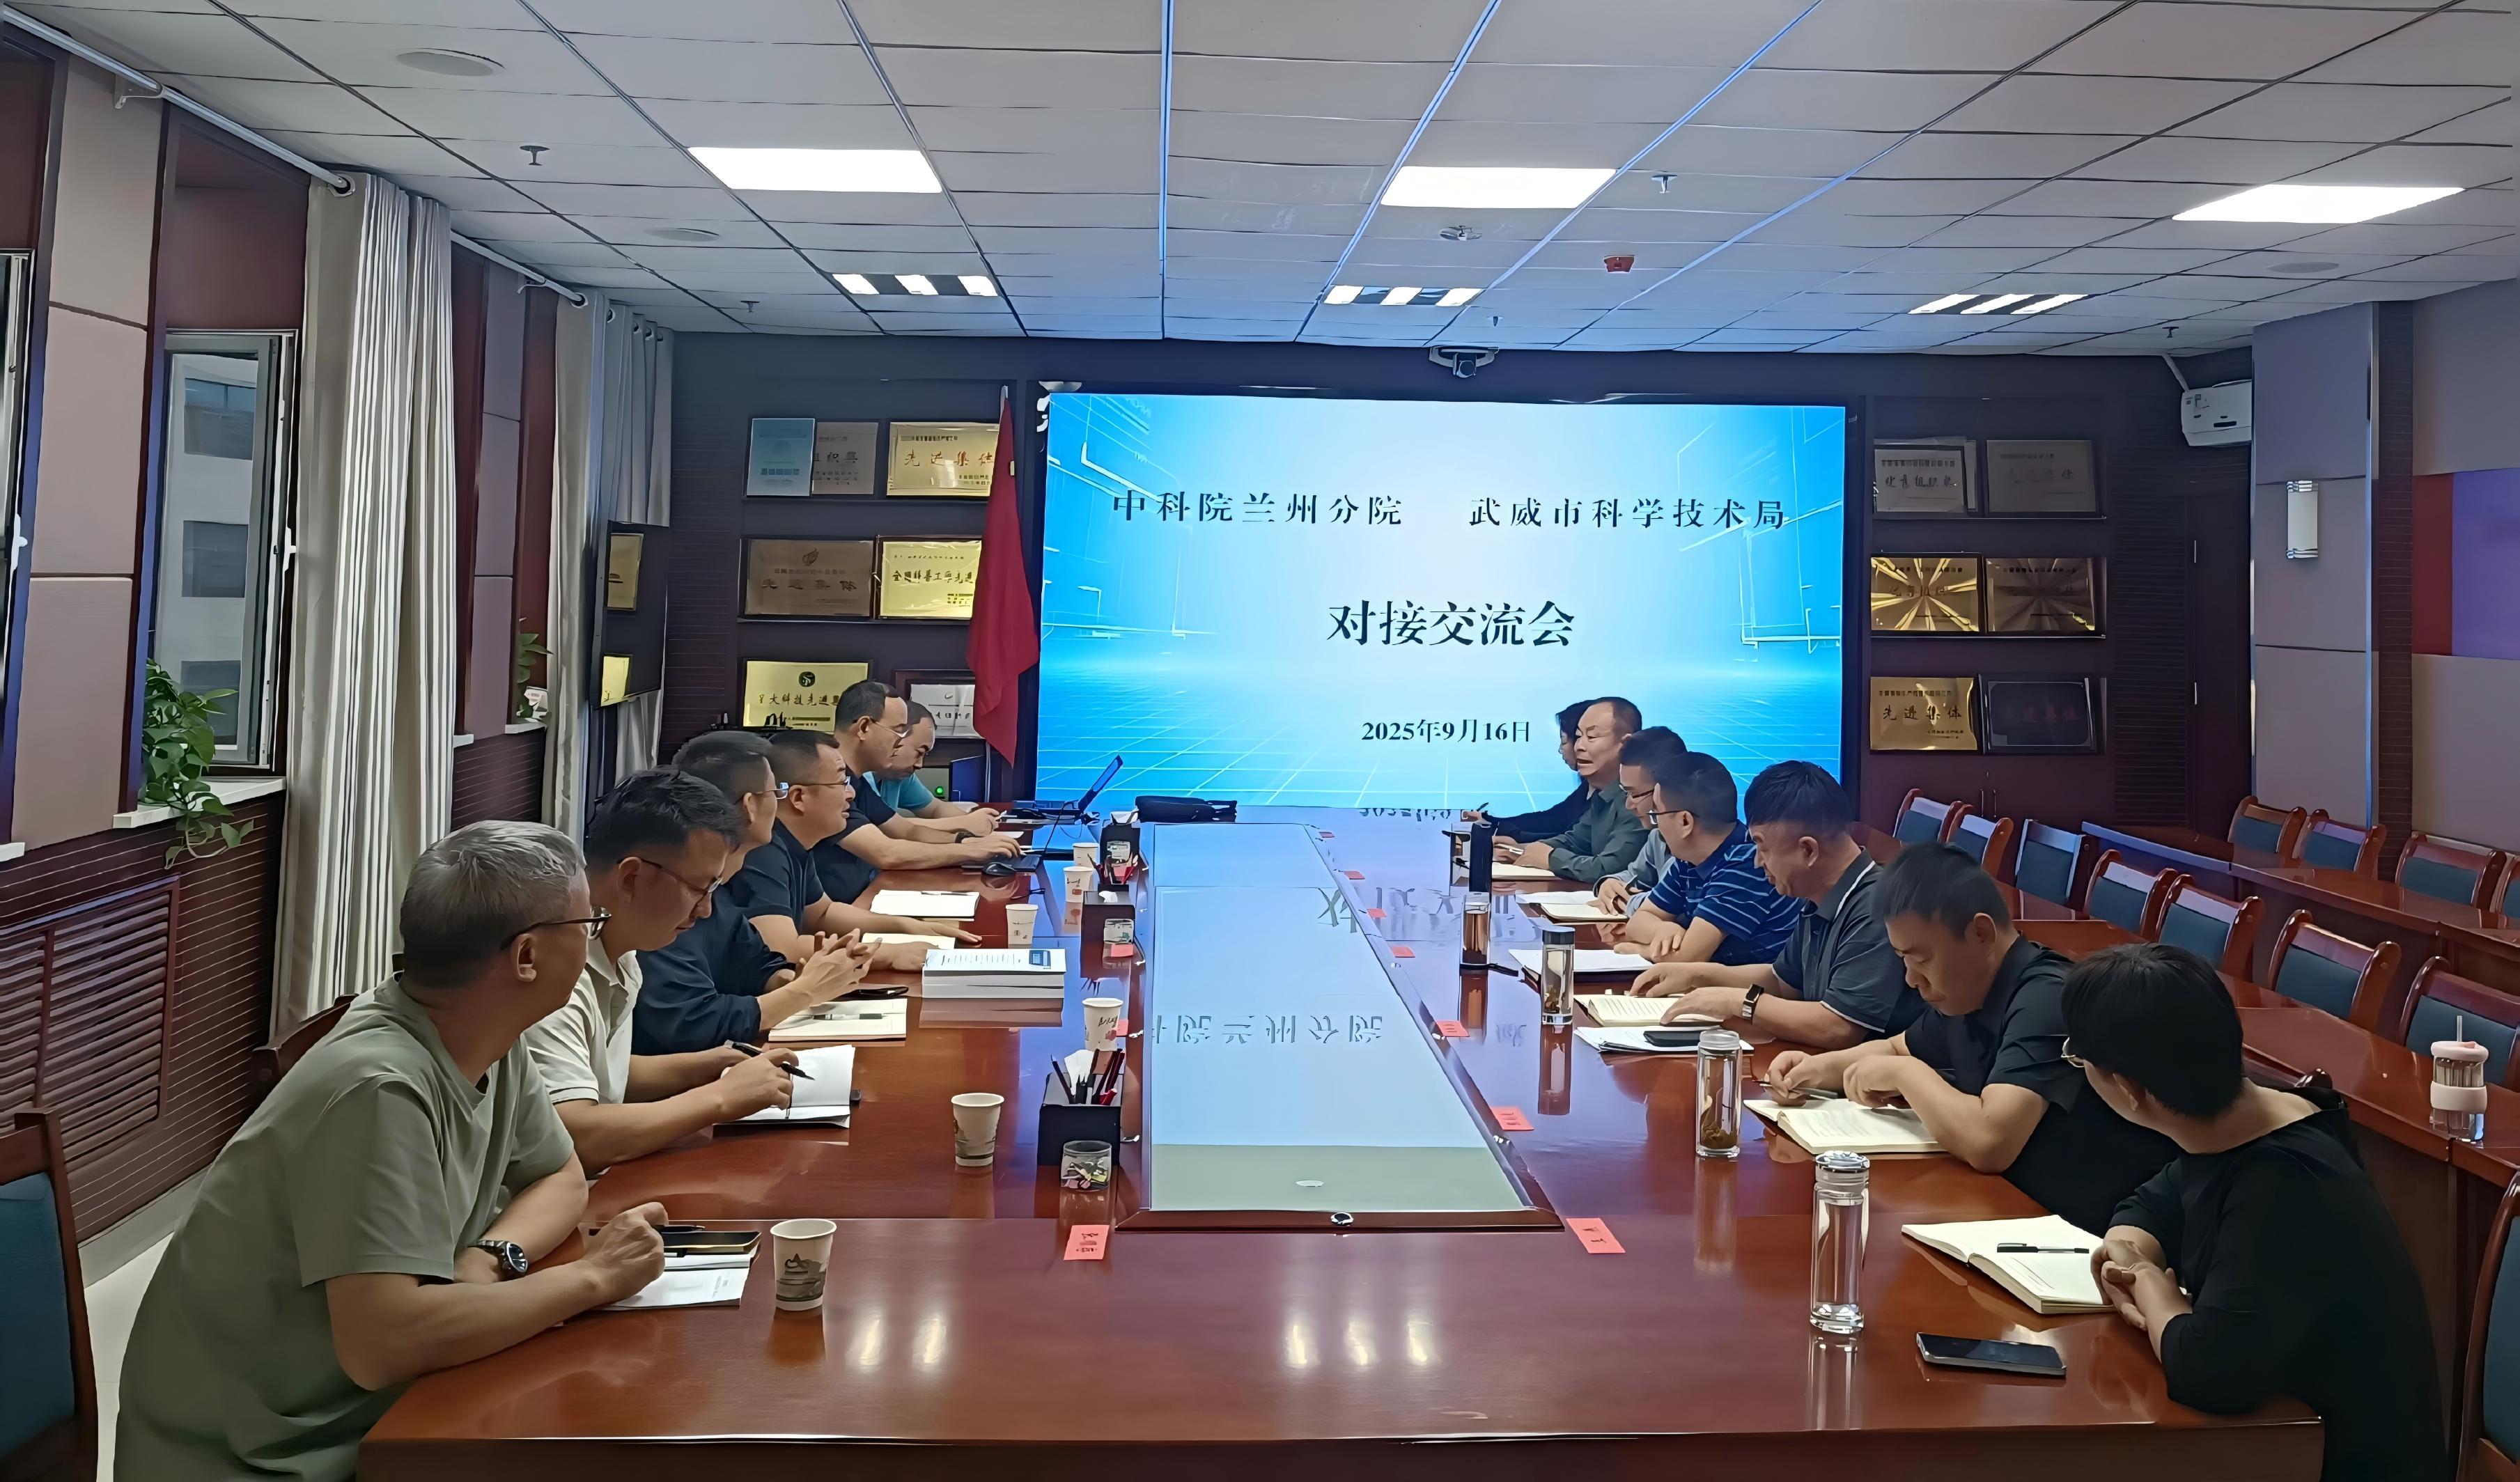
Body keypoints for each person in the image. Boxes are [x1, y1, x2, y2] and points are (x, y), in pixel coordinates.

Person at [116, 822, 673, 1481]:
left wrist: (489, 1260)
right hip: (269, 1453)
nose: (594, 937)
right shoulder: (376, 1087)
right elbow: (385, 1345)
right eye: (588, 923)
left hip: (382, 1406)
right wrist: (594, 1279)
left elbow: (561, 1176)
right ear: (526, 957)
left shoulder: (486, 1030)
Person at [2067, 943, 2445, 1482]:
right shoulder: (2241, 1119)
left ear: (2128, 1089)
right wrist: (2127, 1250)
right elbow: (2151, 1204)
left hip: (2341, 1462)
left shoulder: (2284, 1183)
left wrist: (2148, 1285)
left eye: (2079, 1059)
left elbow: (2209, 1372)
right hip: (2285, 1445)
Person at [1762, 844, 2178, 1233]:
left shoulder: (2047, 996)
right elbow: (1896, 1046)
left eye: (1921, 959)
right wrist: (1815, 1068)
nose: (1912, 979)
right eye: (1903, 960)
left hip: (2089, 1232)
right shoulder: (1968, 990)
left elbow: (1989, 1142)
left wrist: (1905, 1074)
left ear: (1981, 934)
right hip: (2007, 1209)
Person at [524, 769, 869, 1171]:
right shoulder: (556, 977)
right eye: (698, 888)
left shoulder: (621, 949)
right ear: (632, 878)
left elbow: (602, 1073)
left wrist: (711, 1063)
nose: (705, 910)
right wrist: (719, 1099)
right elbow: (575, 1135)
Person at [1635, 760, 1920, 1047]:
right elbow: (1783, 982)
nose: (1758, 861)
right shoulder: (1818, 897)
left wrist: (1737, 1002)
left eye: (1762, 846)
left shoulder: (1876, 906)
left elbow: (1839, 1027)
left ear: (1808, 850)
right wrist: (1696, 974)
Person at [632, 731, 875, 1055]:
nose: (703, 907)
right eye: (777, 792)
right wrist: (803, 991)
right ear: (750, 805)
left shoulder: (720, 891)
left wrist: (803, 978)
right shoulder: (665, 896)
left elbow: (756, 966)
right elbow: (692, 1023)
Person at [732, 727, 986, 965]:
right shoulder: (762, 851)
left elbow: (823, 913)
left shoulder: (796, 843)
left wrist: (905, 925)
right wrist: (889, 954)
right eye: (841, 783)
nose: (851, 794)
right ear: (799, 797)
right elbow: (784, 949)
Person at [812, 680, 1025, 910]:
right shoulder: (823, 780)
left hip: (857, 900)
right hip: (837, 911)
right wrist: (969, 851)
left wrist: (966, 841)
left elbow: (905, 830)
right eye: (898, 731)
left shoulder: (855, 781)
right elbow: (886, 853)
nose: (900, 741)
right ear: (864, 727)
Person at [1608, 739, 1800, 969]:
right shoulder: (1688, 860)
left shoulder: (1746, 864)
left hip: (1755, 987)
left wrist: (1641, 950)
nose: (1656, 824)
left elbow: (1688, 959)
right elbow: (1637, 922)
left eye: (1657, 813)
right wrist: (1663, 928)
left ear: (1685, 822)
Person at [1494, 696, 1647, 884]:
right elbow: (1576, 841)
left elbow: (1609, 868)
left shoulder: (1639, 798)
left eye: (1591, 737)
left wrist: (1550, 859)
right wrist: (1521, 849)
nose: (1579, 746)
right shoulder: (1603, 793)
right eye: (1579, 736)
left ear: (1625, 744)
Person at [872, 700, 997, 836]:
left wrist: (975, 821)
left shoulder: (897, 775)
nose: (920, 765)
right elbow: (888, 826)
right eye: (919, 752)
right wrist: (963, 823)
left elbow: (935, 808)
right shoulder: (861, 777)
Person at [1471, 699, 1592, 839]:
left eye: (1564, 741)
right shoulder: (1587, 788)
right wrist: (1491, 822)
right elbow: (1550, 820)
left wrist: (1505, 832)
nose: (1560, 750)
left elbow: (1573, 842)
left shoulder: (1608, 796)